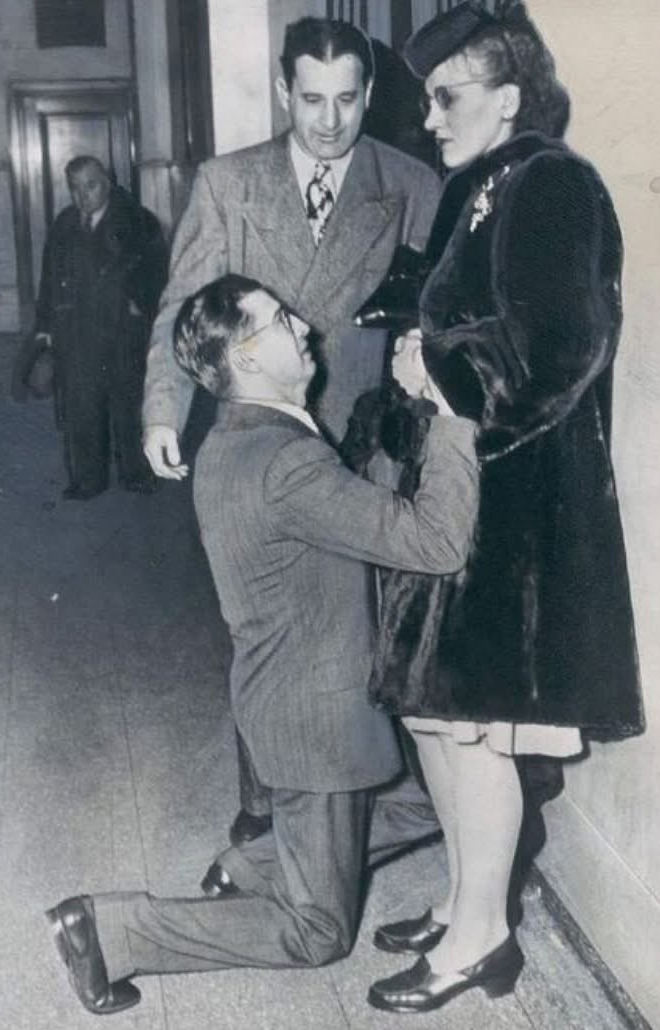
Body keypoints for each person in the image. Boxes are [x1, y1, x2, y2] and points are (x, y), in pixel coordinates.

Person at [44, 273, 479, 1016]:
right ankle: (110, 930)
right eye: (279, 321)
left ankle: (252, 863)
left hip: (286, 698)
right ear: (243, 360)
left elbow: (334, 529)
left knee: (446, 802)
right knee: (318, 932)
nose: (304, 327)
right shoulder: (285, 461)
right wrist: (452, 413)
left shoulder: (241, 437)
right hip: (316, 722)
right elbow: (435, 541)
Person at [364, 1, 644, 1015]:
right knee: (435, 718)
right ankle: (458, 901)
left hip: (513, 513)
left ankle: (481, 939)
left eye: (446, 97)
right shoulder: (479, 184)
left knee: (471, 722)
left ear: (507, 99)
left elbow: (562, 345)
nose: (428, 116)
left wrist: (435, 363)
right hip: (462, 492)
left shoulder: (551, 181)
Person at [141, 15, 442, 851]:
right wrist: (163, 411)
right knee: (268, 633)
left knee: (364, 635)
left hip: (368, 449)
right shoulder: (228, 182)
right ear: (285, 92)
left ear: (369, 96)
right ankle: (263, 806)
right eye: (312, 99)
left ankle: (365, 805)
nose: (329, 120)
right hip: (264, 440)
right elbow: (181, 310)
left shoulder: (411, 182)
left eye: (347, 100)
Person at [34, 156, 168, 499]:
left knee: (129, 404)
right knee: (81, 406)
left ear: (107, 180)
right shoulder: (64, 224)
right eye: (75, 189)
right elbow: (49, 280)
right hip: (76, 333)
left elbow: (160, 274)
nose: (83, 196)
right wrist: (45, 327)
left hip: (124, 331)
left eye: (90, 185)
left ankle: (137, 473)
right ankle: (88, 478)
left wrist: (143, 306)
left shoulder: (138, 222)